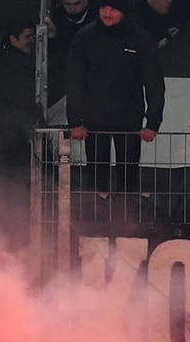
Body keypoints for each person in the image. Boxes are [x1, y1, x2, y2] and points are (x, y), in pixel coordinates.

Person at [64, 0, 164, 197]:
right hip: (93, 120)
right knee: (96, 178)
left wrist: (153, 122)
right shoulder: (85, 37)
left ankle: (128, 221)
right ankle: (97, 221)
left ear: (124, 11)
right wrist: (74, 121)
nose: (107, 13)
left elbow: (154, 83)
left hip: (129, 119)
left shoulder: (141, 38)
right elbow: (74, 80)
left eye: (113, 8)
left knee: (128, 176)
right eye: (103, 8)